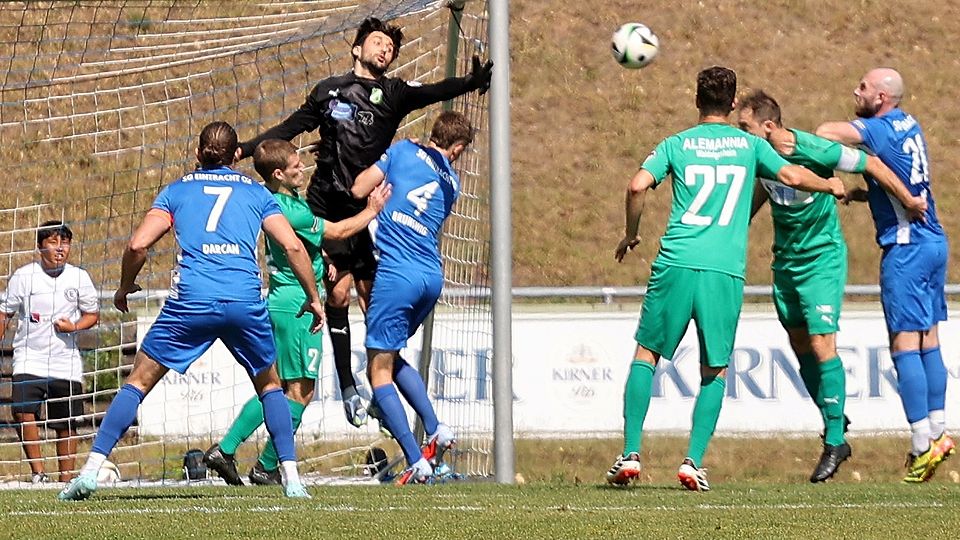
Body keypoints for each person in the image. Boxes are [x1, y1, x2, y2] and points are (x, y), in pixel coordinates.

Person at [237, 17, 493, 428]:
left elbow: (432, 92)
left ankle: (382, 386)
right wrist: (248, 147)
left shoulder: (393, 92)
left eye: (390, 47)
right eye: (377, 42)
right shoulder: (328, 91)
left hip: (372, 208)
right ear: (356, 48)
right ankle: (348, 389)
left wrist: (467, 82)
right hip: (327, 205)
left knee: (372, 299)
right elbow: (291, 127)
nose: (385, 50)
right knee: (335, 295)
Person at [606, 66, 845, 492]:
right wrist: (828, 185)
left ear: (696, 100)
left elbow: (637, 185)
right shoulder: (751, 145)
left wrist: (631, 233)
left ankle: (630, 453)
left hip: (676, 262)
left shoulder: (675, 144)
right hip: (723, 271)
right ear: (733, 103)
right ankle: (692, 462)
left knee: (647, 355)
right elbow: (790, 175)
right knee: (713, 369)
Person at [58, 122, 324, 500]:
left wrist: (124, 285)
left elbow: (137, 245)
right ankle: (292, 479)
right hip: (243, 300)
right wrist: (313, 297)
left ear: (197, 153)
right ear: (236, 156)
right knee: (270, 386)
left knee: (138, 382)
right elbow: (294, 248)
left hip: (192, 300)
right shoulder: (257, 193)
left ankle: (89, 472)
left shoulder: (178, 190)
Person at [736, 90, 928, 483]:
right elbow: (764, 188)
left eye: (745, 127)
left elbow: (869, 163)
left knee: (824, 342)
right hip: (785, 260)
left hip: (821, 259)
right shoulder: (759, 158)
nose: (741, 135)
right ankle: (833, 416)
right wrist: (737, 226)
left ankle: (836, 440)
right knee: (800, 343)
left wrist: (908, 198)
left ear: (768, 127)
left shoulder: (816, 150)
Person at [203, 139, 390, 486]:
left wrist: (323, 261)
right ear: (278, 173)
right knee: (300, 391)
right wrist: (372, 209)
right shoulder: (291, 209)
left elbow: (306, 244)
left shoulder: (276, 201)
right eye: (295, 166)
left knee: (274, 387)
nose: (302, 169)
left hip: (282, 298)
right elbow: (338, 231)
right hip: (298, 305)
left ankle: (229, 452)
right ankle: (264, 464)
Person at [816, 68, 954, 483]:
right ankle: (938, 432)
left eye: (861, 87)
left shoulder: (876, 130)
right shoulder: (909, 122)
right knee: (929, 339)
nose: (854, 91)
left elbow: (825, 131)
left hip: (906, 248)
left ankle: (920, 446)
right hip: (934, 243)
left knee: (903, 346)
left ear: (880, 97)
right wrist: (868, 191)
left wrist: (856, 165)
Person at [349, 110, 472, 484]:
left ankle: (416, 458)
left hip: (396, 273)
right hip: (431, 276)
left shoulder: (402, 150)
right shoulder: (453, 183)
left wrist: (374, 202)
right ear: (458, 148)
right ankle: (436, 429)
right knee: (391, 354)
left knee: (378, 369)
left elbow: (357, 188)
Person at [0, 221, 99, 483]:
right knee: (22, 411)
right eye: (53, 242)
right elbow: (4, 313)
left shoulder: (79, 277)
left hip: (65, 362)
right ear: (40, 246)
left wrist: (74, 326)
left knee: (66, 422)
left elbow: (93, 315)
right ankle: (38, 474)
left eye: (64, 243)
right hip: (28, 357)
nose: (60, 249)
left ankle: (66, 479)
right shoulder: (24, 276)